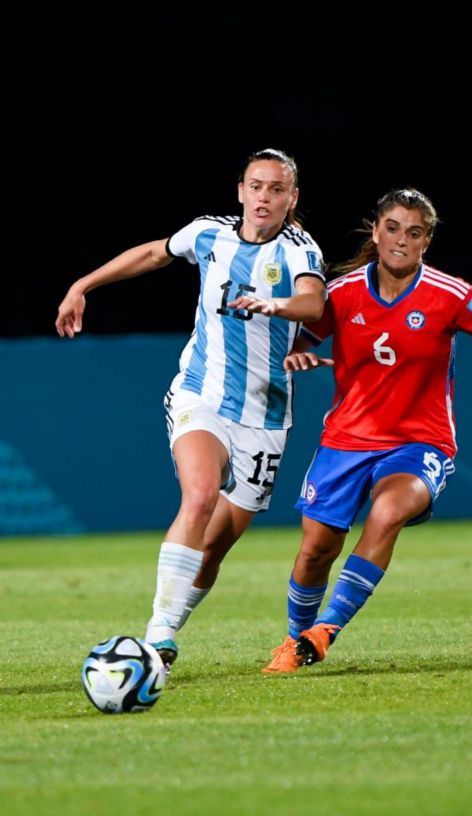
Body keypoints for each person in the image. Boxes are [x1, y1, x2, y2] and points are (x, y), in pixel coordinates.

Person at [55, 148, 326, 669]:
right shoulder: (208, 234)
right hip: (201, 394)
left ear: (292, 199)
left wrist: (275, 304)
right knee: (199, 495)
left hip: (265, 418)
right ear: (240, 190)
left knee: (215, 546)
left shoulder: (299, 249)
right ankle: (158, 636)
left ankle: (168, 628)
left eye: (276, 189)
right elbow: (153, 253)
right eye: (256, 186)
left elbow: (313, 302)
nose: (264, 197)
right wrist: (82, 284)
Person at [263, 187, 472, 673]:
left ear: (427, 240)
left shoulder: (451, 295)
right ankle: (294, 637)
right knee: (316, 550)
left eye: (414, 232)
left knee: (387, 512)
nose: (401, 240)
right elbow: (301, 340)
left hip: (420, 443)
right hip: (345, 441)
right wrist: (297, 354)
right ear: (375, 231)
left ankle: (325, 630)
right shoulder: (341, 293)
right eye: (392, 228)